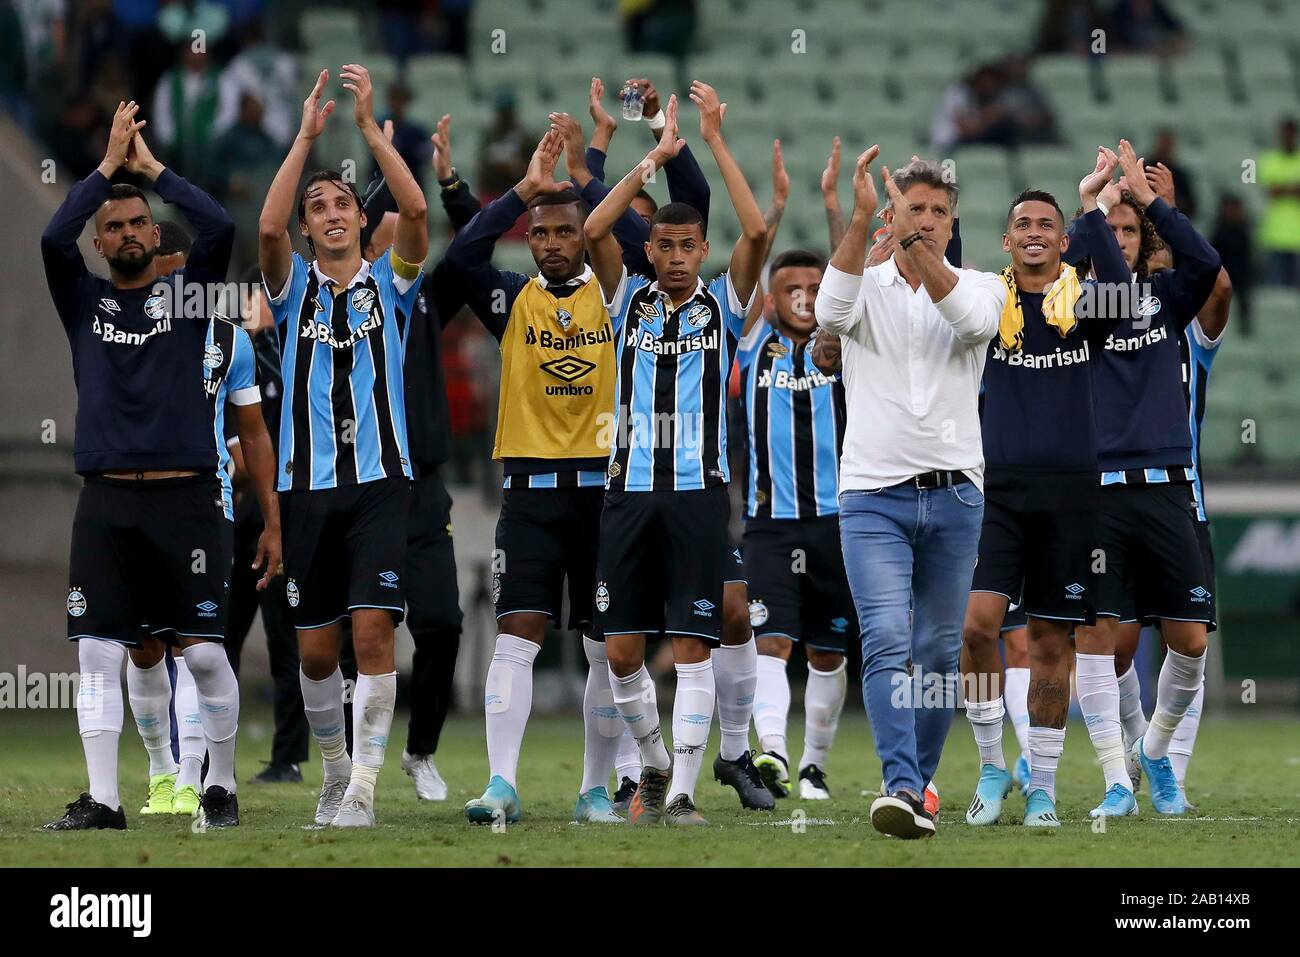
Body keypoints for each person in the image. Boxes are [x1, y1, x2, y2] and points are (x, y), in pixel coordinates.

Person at [42, 102, 279, 831]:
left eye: (136, 221)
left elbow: (221, 228)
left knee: (206, 656)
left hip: (188, 500)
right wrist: (106, 169)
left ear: (153, 232)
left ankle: (220, 786)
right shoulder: (82, 299)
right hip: (106, 501)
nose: (124, 233)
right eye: (109, 226)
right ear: (101, 242)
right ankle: (106, 801)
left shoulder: (195, 297)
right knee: (97, 656)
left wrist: (152, 171)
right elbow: (53, 234)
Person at [555, 79, 772, 812]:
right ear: (650, 249)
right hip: (627, 491)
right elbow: (591, 233)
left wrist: (710, 139)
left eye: (688, 246)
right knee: (619, 652)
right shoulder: (627, 300)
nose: (676, 257)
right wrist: (650, 161)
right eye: (666, 246)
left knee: (692, 647)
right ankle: (651, 761)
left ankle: (681, 789)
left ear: (704, 250)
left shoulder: (725, 304)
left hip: (697, 493)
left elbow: (760, 232)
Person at [814, 148, 1004, 839]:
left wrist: (917, 252)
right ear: (893, 215)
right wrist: (863, 217)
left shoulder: (984, 286)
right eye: (912, 210)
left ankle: (916, 783)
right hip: (873, 494)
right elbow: (830, 314)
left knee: (940, 649)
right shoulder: (865, 284)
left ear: (954, 222)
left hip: (956, 494)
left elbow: (973, 324)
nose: (925, 221)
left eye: (937, 212)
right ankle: (899, 783)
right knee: (888, 638)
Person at [257, 65, 429, 828]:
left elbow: (417, 208)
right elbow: (264, 229)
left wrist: (365, 132)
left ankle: (363, 789)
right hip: (305, 490)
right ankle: (332, 771)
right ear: (307, 229)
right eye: (316, 208)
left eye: (340, 205)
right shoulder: (289, 289)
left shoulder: (392, 284)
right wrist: (303, 138)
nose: (329, 215)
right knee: (318, 654)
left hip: (381, 484)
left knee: (372, 632)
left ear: (361, 221)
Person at [445, 127, 625, 825]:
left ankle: (595, 789)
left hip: (602, 496)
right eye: (539, 232)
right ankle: (501, 784)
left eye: (564, 231)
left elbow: (625, 231)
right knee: (518, 631)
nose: (550, 242)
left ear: (586, 235)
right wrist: (521, 189)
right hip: (528, 498)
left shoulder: (616, 300)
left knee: (604, 646)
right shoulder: (512, 300)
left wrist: (588, 171)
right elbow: (462, 254)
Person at [959, 148, 1133, 829]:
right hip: (998, 490)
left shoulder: (1083, 303)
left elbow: (1120, 288)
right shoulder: (985, 303)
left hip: (1071, 493)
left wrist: (1095, 205)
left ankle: (1044, 790)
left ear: (1063, 240)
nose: (1034, 231)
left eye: (1047, 224)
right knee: (977, 627)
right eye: (1023, 223)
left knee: (1053, 646)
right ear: (1007, 239)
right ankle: (993, 765)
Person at [1063, 141, 1223, 817]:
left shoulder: (1165, 300)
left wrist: (1151, 199)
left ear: (1145, 239)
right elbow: (1051, 288)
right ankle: (1117, 782)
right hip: (1097, 492)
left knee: (1189, 640)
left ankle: (1154, 749)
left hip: (1169, 488)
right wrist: (1089, 207)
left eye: (1132, 231)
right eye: (1114, 229)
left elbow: (1210, 266)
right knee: (1100, 636)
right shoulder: (1082, 309)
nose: (1120, 239)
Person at [352, 112, 480, 802]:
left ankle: (420, 750)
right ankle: (346, 767)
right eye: (393, 222)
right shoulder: (339, 302)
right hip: (358, 483)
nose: (406, 234)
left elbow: (478, 243)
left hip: (423, 491)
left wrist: (452, 181)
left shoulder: (426, 295)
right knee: (351, 637)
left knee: (442, 624)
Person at [736, 247, 855, 802]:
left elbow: (852, 278)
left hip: (839, 522)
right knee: (773, 641)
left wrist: (837, 209)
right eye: (791, 289)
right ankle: (775, 751)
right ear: (771, 297)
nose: (804, 297)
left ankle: (813, 766)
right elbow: (755, 246)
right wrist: (780, 203)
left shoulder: (843, 346)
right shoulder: (754, 343)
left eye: (815, 287)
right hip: (771, 525)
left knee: (828, 653)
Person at [1258, 117, 1300, 288]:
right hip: (1274, 236)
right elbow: (1271, 191)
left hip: (1297, 238)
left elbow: (1276, 188)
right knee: (1275, 293)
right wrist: (1293, 188)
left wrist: (1281, 186)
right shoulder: (1269, 160)